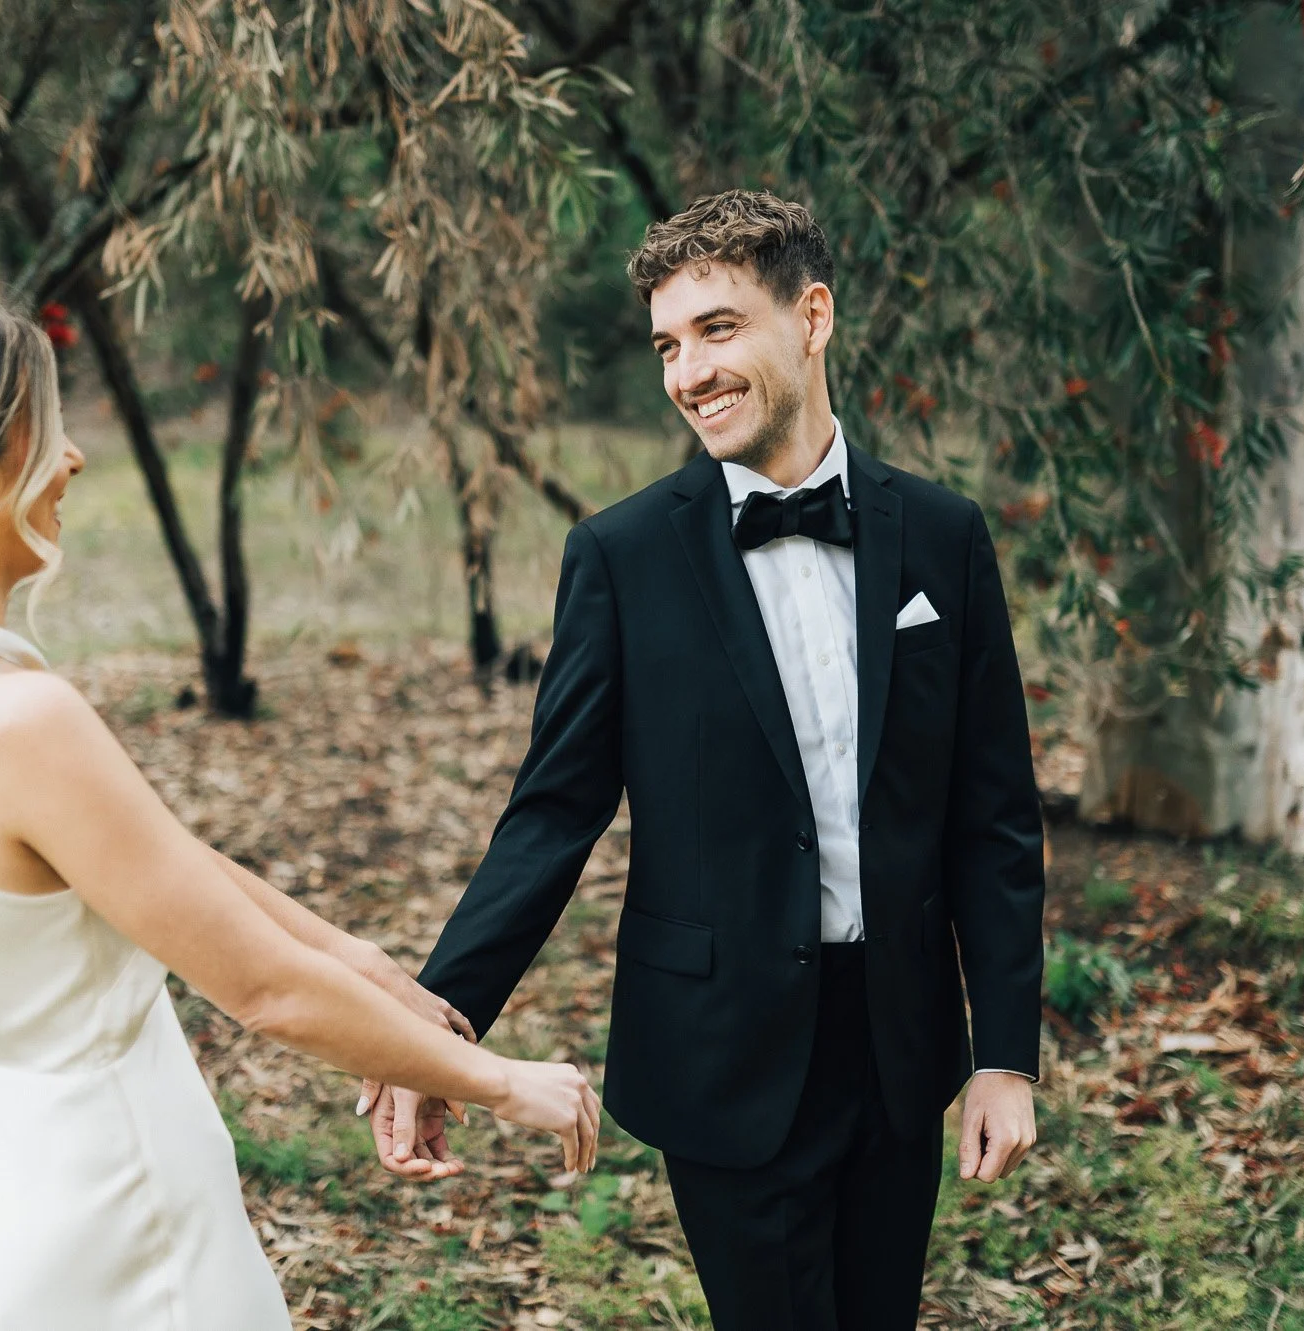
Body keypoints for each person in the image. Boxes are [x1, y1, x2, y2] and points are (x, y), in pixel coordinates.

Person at [0, 285, 599, 1331]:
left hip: (13, 1171)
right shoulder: (17, 718)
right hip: (119, 1209)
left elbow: (161, 866)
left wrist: (370, 971)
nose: (72, 457)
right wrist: (498, 1079)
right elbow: (266, 991)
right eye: (44, 429)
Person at [361, 191, 1047, 1329]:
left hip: (901, 1042)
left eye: (717, 329)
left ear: (812, 317)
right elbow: (553, 812)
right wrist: (436, 1024)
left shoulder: (941, 534)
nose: (688, 373)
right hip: (721, 1048)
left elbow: (994, 816)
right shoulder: (621, 556)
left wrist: (1006, 1054)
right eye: (668, 346)